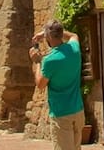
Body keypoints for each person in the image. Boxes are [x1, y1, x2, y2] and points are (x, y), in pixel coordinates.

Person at [32, 21, 83, 150]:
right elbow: (73, 35)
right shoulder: (74, 49)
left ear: (49, 37)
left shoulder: (50, 60)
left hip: (61, 113)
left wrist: (38, 62)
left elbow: (40, 84)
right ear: (60, 34)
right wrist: (46, 33)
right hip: (77, 110)